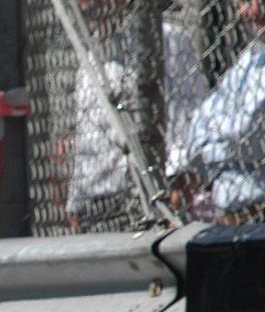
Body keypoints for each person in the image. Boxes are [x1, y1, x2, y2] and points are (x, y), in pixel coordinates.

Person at [66, 0, 207, 231]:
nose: (82, 5)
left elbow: (188, 126)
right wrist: (75, 208)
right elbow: (85, 145)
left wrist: (178, 200)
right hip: (94, 211)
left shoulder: (165, 40)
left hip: (143, 202)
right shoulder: (89, 57)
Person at [174, 0, 265, 225]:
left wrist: (218, 143)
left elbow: (247, 134)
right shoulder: (251, 60)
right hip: (237, 220)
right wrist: (228, 142)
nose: (254, 11)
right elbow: (196, 137)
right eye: (246, 1)